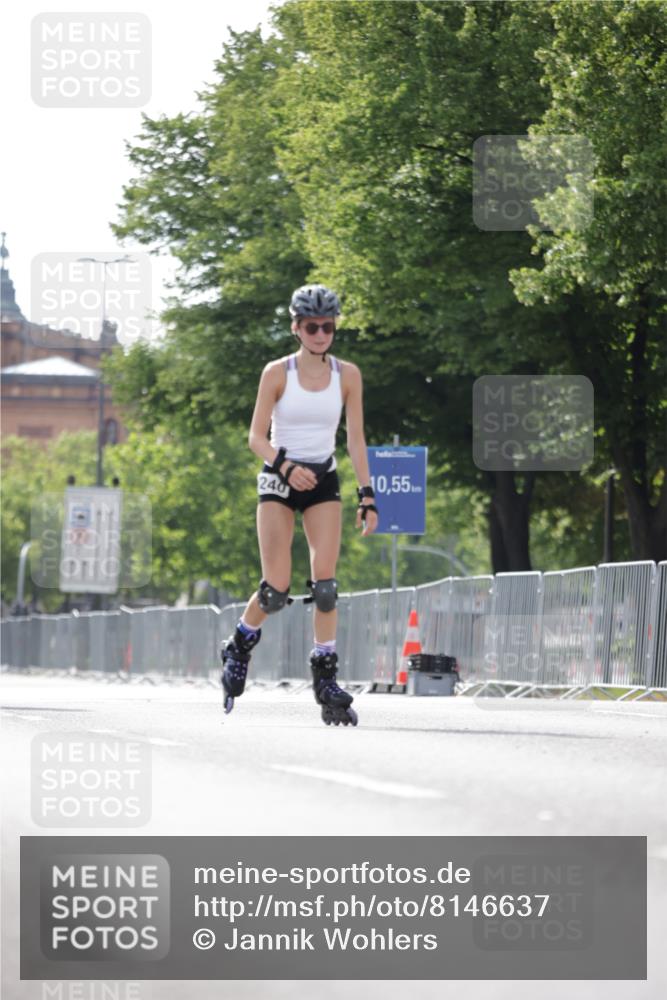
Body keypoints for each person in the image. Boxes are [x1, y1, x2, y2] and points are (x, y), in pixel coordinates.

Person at [220, 284, 378, 725]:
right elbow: (255, 437)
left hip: (322, 478)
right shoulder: (277, 373)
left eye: (328, 326)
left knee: (325, 586)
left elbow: (357, 439)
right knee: (276, 589)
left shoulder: (348, 376)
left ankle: (325, 678)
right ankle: (239, 644)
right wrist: (286, 466)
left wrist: (368, 494)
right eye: (312, 326)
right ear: (296, 328)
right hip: (278, 476)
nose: (321, 334)